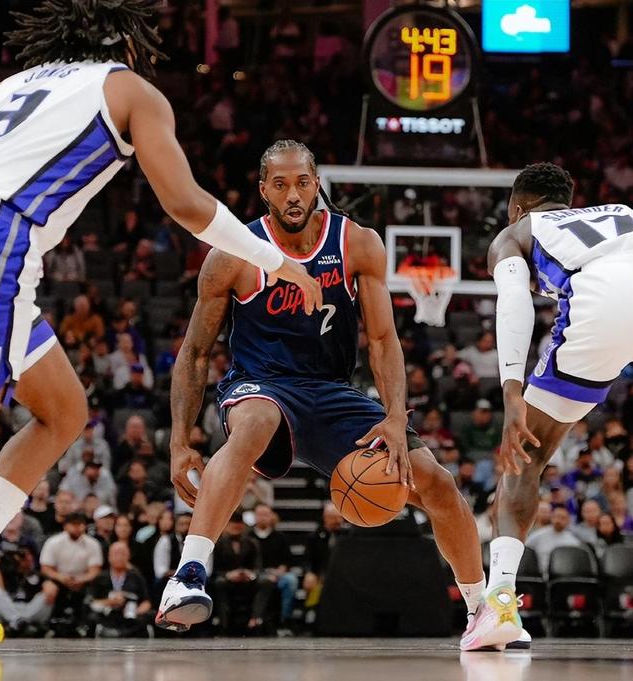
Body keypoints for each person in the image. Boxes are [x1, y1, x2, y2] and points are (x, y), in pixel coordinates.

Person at [0, 0, 320, 645]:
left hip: (4, 253)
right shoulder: (128, 89)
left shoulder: (10, 86)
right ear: (125, 44)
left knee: (62, 410)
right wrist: (279, 263)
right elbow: (186, 205)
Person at [156, 140, 485, 649]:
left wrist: (394, 417)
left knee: (436, 483)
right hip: (262, 384)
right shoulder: (233, 253)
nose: (293, 194)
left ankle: (483, 609)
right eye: (281, 184)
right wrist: (180, 442)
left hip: (333, 392)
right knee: (257, 421)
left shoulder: (357, 243)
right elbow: (195, 353)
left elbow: (382, 340)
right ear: (264, 190)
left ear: (316, 185)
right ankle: (188, 574)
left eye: (302, 182)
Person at [474, 161, 633, 649]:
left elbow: (513, 303)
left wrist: (511, 393)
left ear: (517, 206)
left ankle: (500, 603)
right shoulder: (618, 212)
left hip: (603, 305)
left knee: (525, 462)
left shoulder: (517, 231)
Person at [88, 542, 151, 637]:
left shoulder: (136, 576)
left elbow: (146, 601)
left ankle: (126, 632)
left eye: (122, 553)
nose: (119, 557)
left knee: (149, 616)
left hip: (130, 615)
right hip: (107, 614)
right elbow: (92, 601)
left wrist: (137, 611)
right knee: (91, 616)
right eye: (116, 553)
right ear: (109, 557)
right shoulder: (100, 577)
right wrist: (110, 602)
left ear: (128, 556)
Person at [248, 503, 297, 626]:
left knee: (291, 580)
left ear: (271, 516)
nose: (263, 518)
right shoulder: (248, 537)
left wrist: (280, 571)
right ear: (254, 516)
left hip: (276, 573)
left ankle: (285, 620)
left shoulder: (280, 537)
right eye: (260, 515)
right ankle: (254, 618)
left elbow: (288, 560)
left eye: (266, 515)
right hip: (254, 573)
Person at [525, 506, 581, 575]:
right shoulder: (538, 535)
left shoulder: (574, 542)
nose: (558, 520)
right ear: (551, 518)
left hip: (565, 575)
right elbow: (525, 547)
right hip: (540, 574)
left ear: (568, 521)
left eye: (562, 518)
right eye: (556, 517)